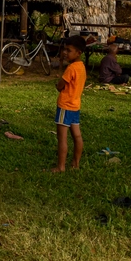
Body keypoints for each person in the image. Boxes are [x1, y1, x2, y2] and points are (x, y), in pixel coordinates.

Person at [52, 35, 87, 173]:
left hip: (65, 106)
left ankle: (61, 167)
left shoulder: (71, 68)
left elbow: (60, 85)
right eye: (64, 49)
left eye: (69, 50)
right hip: (75, 106)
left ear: (78, 53)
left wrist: (58, 83)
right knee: (77, 137)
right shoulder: (81, 67)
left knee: (62, 138)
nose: (65, 52)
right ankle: (75, 163)